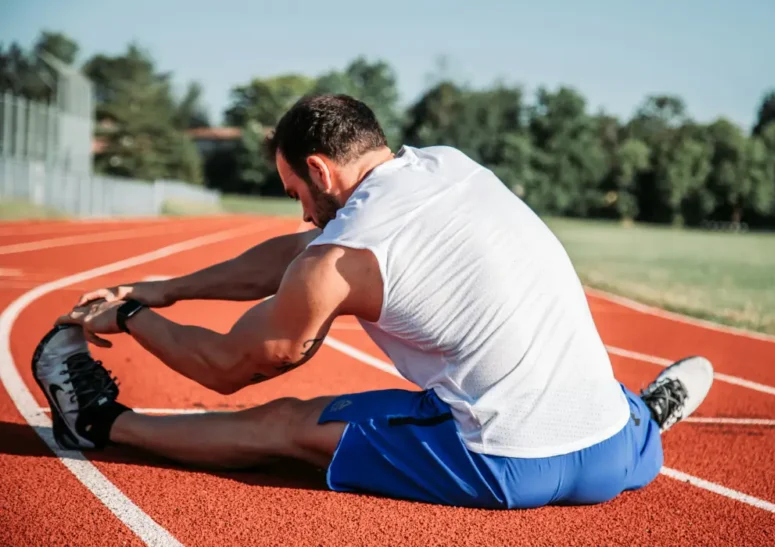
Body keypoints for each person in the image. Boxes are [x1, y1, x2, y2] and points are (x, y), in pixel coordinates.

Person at [33, 94, 713, 509]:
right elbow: (301, 253)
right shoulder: (447, 165)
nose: (300, 211)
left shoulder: (337, 258)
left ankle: (99, 424)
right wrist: (167, 288)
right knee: (567, 371)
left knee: (282, 424)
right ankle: (645, 417)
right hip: (611, 454)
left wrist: (129, 315)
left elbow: (227, 364)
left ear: (321, 172)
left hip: (503, 459)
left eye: (295, 191)